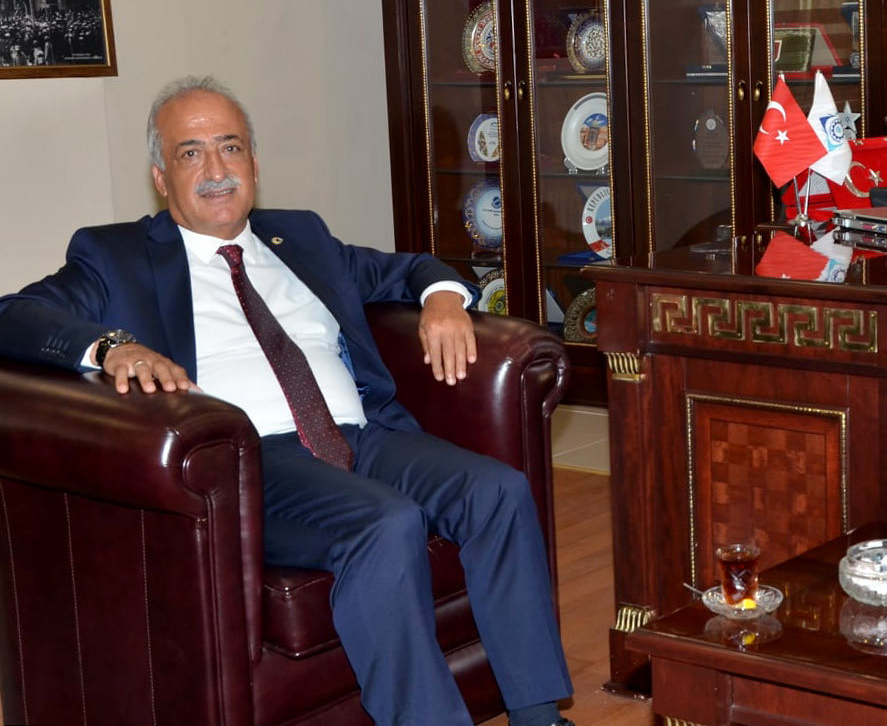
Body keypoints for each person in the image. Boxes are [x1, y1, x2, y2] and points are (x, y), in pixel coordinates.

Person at [0, 77, 573, 726]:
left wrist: (443, 299)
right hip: (253, 461)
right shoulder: (117, 256)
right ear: (161, 177)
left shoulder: (300, 238)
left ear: (254, 162)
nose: (216, 170)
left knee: (498, 491)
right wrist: (111, 346)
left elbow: (407, 268)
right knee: (386, 524)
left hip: (362, 436)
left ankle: (539, 718)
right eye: (190, 153)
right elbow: (14, 314)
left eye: (230, 147)